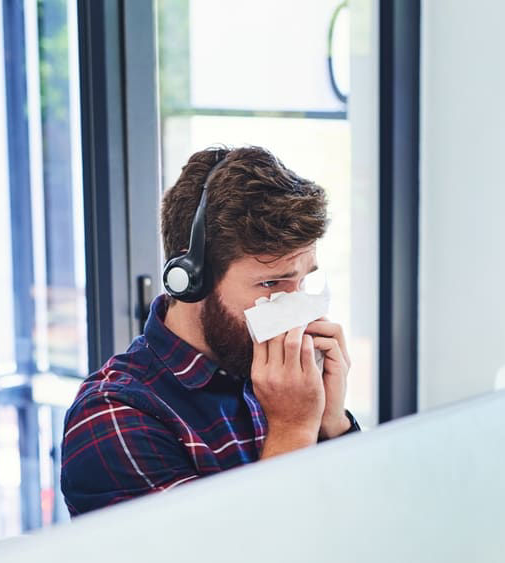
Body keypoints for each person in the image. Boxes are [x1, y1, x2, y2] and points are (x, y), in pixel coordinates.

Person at [60, 146, 358, 516]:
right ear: (190, 281)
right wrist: (293, 429)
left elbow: (360, 531)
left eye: (302, 282)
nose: (295, 311)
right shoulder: (115, 415)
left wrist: (334, 427)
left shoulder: (274, 378)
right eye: (271, 285)